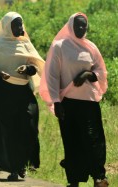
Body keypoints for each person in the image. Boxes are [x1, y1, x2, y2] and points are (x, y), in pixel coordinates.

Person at [39, 13, 108, 187]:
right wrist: (56, 101)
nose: (81, 29)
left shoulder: (91, 47)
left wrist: (88, 74)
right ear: (70, 26)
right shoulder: (60, 46)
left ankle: (99, 177)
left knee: (94, 140)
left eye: (84, 26)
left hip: (90, 103)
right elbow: (52, 76)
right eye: (77, 25)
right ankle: (73, 180)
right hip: (68, 103)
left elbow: (101, 71)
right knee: (72, 141)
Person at [0, 12, 44, 181]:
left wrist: (27, 69)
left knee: (29, 128)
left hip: (24, 92)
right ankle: (15, 168)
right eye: (16, 25)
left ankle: (22, 162)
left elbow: (35, 66)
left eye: (21, 24)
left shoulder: (25, 44)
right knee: (11, 132)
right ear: (8, 27)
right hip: (5, 93)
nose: (20, 28)